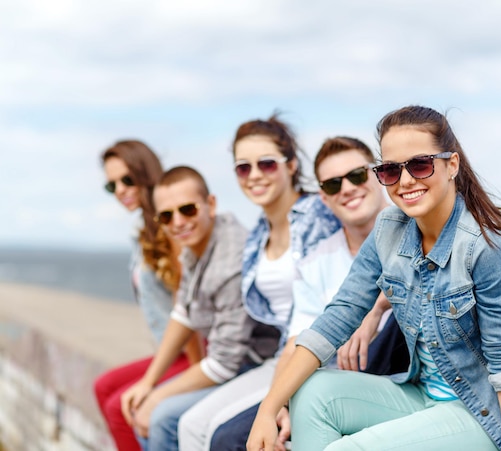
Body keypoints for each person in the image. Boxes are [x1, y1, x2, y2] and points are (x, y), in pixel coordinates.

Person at [248, 105, 501, 451]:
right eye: (391, 170)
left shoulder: (486, 249)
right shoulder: (388, 230)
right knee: (310, 390)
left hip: (484, 415)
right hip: (423, 395)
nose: (406, 180)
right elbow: (336, 318)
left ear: (451, 165)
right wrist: (268, 407)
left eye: (420, 164)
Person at [209, 136, 410, 451]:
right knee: (229, 440)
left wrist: (376, 309)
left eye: (357, 175)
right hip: (333, 376)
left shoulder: (414, 229)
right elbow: (296, 342)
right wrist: (282, 404)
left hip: (397, 371)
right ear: (324, 198)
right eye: (332, 185)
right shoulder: (317, 261)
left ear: (377, 175)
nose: (346, 188)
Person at [177, 114, 342, 449]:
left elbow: (331, 309)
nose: (254, 176)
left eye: (266, 164)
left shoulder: (318, 217)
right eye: (243, 167)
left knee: (221, 437)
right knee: (192, 425)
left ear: (291, 165)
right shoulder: (256, 236)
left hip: (315, 358)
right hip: (276, 357)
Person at [119, 165, 269, 451]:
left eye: (187, 209)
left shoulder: (230, 261)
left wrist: (157, 396)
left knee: (161, 416)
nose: (177, 222)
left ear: (210, 205)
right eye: (166, 215)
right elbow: (183, 313)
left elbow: (225, 363)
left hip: (258, 363)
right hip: (234, 360)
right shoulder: (197, 243)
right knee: (142, 404)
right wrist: (148, 383)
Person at [94, 140, 199, 451]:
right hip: (172, 351)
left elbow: (187, 306)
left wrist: (195, 372)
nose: (121, 190)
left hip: (194, 352)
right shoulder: (144, 230)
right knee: (104, 387)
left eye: (127, 179)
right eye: (111, 185)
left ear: (146, 172)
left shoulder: (171, 225)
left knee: (120, 408)